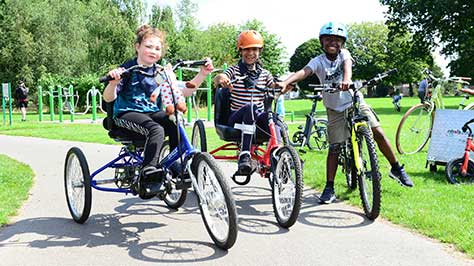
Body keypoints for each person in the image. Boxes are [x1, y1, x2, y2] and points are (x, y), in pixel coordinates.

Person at [277, 22, 413, 204]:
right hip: (334, 109)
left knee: (378, 132)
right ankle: (329, 187)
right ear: (322, 42)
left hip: (354, 101)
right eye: (328, 39)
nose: (333, 43)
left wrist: (347, 81)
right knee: (334, 148)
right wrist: (286, 82)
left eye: (337, 40)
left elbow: (347, 67)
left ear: (342, 43)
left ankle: (396, 168)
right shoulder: (318, 61)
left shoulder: (344, 55)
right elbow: (304, 72)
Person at [103, 24, 213, 197]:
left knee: (175, 122)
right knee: (157, 129)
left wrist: (203, 74)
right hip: (125, 113)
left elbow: (183, 91)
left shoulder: (160, 72)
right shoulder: (126, 70)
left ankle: (175, 163)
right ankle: (149, 173)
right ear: (137, 46)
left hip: (151, 112)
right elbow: (108, 98)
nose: (153, 51)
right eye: (148, 46)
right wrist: (113, 83)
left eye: (157, 48)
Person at [214, 30, 280, 175]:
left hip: (256, 119)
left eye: (255, 49)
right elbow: (219, 77)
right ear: (241, 51)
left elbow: (274, 87)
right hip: (236, 119)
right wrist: (222, 79)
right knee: (250, 107)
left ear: (259, 51)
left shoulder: (265, 74)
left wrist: (283, 86)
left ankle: (281, 155)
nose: (251, 53)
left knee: (274, 118)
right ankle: (245, 154)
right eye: (247, 49)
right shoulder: (234, 70)